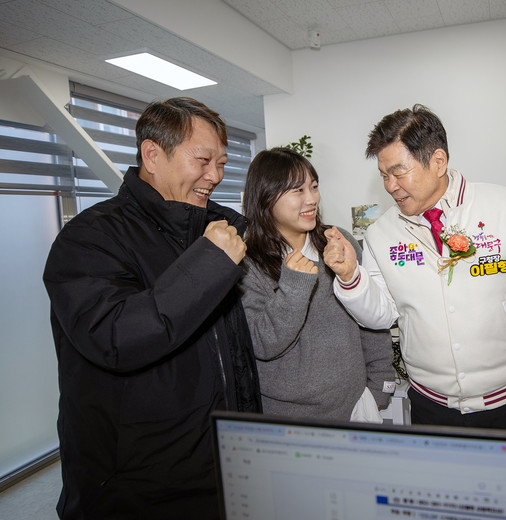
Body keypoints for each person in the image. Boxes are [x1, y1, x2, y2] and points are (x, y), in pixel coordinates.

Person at [42, 97, 262, 519]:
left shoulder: (214, 229)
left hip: (221, 469)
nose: (215, 176)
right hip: (139, 489)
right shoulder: (90, 237)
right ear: (152, 155)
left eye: (221, 163)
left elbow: (230, 355)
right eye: (203, 160)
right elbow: (115, 337)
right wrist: (209, 264)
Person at [323, 104, 506, 430]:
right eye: (384, 175)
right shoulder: (381, 234)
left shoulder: (504, 207)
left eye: (398, 172)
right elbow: (381, 314)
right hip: (430, 402)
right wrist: (350, 277)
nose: (390, 185)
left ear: (438, 161)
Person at [239, 147, 395, 420]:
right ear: (265, 196)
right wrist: (294, 286)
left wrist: (381, 385)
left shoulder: (336, 242)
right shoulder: (247, 262)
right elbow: (262, 344)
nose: (312, 199)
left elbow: (370, 317)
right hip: (287, 418)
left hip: (355, 406)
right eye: (297, 191)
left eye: (313, 186)